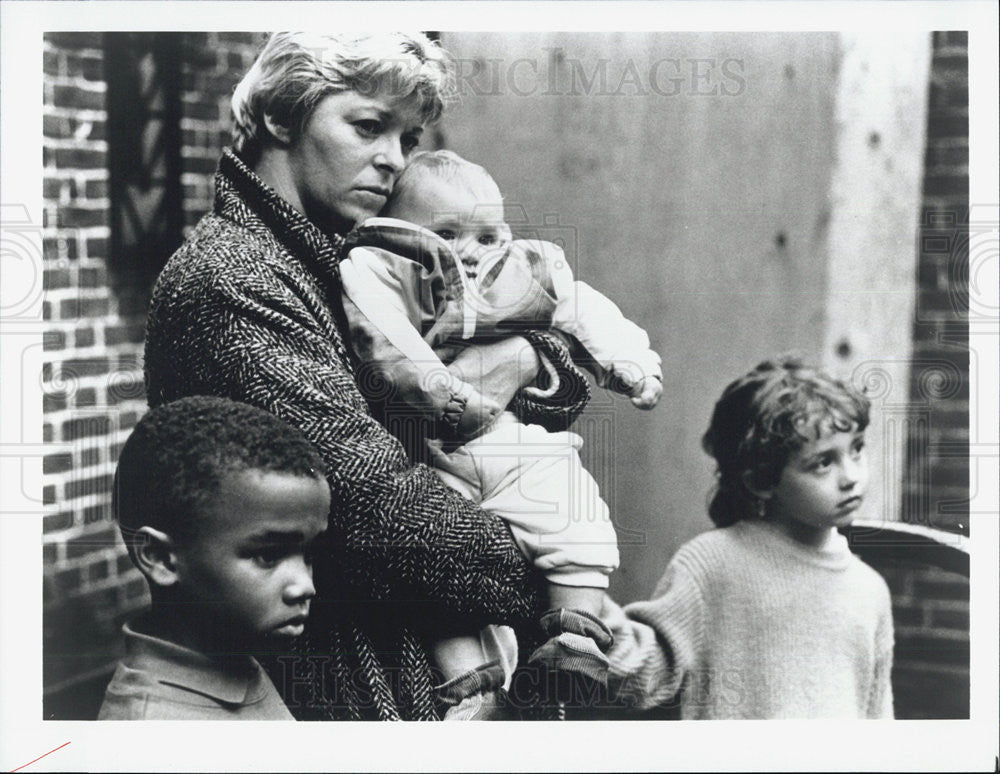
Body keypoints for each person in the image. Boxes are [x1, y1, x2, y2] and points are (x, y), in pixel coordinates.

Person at [143, 32, 593, 720]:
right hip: (355, 682)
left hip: (433, 662)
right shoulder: (234, 281)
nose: (393, 160)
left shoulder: (363, 252)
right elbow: (376, 519)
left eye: (407, 137)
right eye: (368, 126)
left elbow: (546, 333)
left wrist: (531, 361)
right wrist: (564, 562)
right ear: (279, 116)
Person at [337, 150, 663, 718]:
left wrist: (628, 362)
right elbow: (382, 338)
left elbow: (583, 310)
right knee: (436, 561)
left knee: (574, 513)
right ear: (405, 232)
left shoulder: (523, 269)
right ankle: (470, 679)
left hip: (510, 440)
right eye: (446, 233)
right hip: (432, 451)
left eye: (487, 233)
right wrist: (441, 391)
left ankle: (576, 640)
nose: (471, 249)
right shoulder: (385, 268)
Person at [601, 356, 895, 719]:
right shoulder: (712, 564)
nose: (851, 476)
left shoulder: (870, 590)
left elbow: (878, 722)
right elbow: (643, 676)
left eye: (857, 449)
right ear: (761, 480)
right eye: (823, 462)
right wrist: (582, 604)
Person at [98, 396, 330, 720]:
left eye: (308, 555)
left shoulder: (237, 657)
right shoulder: (150, 731)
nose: (306, 586)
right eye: (267, 556)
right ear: (161, 558)